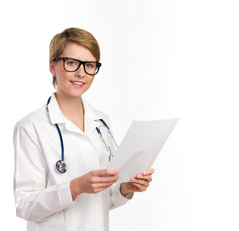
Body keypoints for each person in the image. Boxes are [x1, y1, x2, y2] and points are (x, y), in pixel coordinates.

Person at [13, 27, 154, 231]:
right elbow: (24, 205)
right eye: (71, 63)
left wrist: (124, 188)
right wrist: (74, 187)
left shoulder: (101, 122)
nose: (81, 73)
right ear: (53, 66)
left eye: (89, 65)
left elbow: (100, 202)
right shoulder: (31, 126)